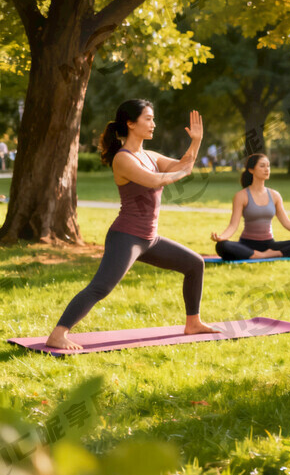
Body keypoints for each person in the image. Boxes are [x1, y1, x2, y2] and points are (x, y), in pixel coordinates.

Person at [46, 100, 214, 350]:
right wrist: (181, 173)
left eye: (153, 118)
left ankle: (193, 322)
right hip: (127, 236)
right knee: (101, 287)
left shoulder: (150, 156)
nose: (153, 123)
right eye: (148, 118)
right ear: (130, 123)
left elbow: (183, 165)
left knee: (194, 264)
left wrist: (196, 141)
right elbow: (154, 180)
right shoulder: (122, 159)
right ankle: (58, 334)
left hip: (150, 239)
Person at [211, 153, 290, 260]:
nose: (267, 169)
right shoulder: (241, 196)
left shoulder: (275, 195)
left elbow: (286, 222)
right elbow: (233, 225)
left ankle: (274, 254)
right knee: (222, 246)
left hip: (270, 245)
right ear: (251, 170)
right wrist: (222, 237)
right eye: (262, 166)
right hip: (247, 245)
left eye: (268, 166)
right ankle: (259, 255)